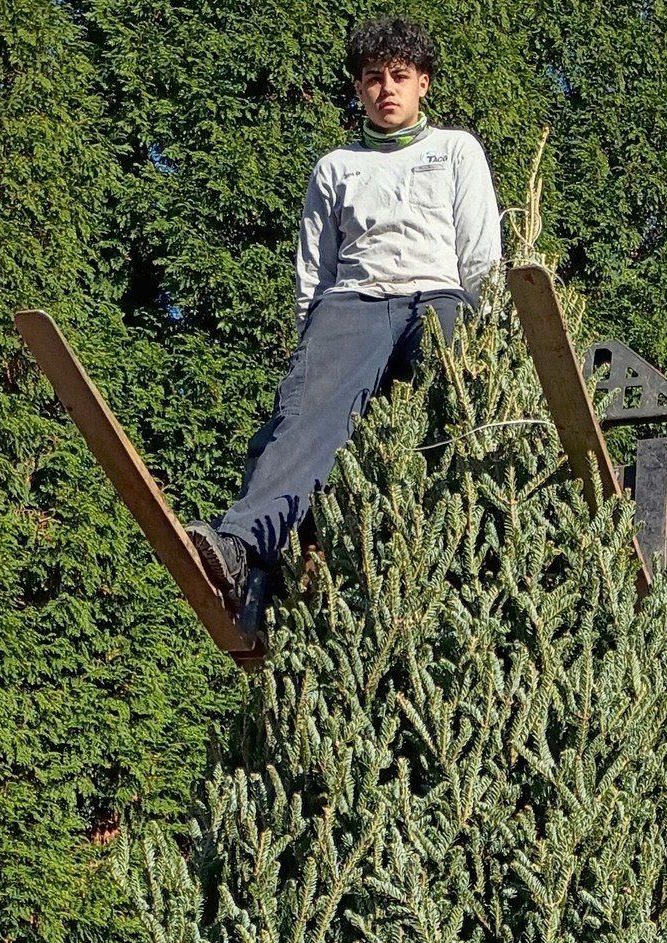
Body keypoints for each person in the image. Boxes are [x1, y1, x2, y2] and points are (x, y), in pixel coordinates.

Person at [187, 18, 502, 624]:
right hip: (353, 303)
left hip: (437, 300)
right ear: (359, 90)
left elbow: (480, 253)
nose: (386, 89)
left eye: (399, 77)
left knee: (455, 414)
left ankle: (458, 561)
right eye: (373, 79)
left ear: (423, 84)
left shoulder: (455, 150)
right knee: (300, 420)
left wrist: (487, 332)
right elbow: (315, 268)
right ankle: (243, 548)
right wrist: (313, 349)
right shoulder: (336, 166)